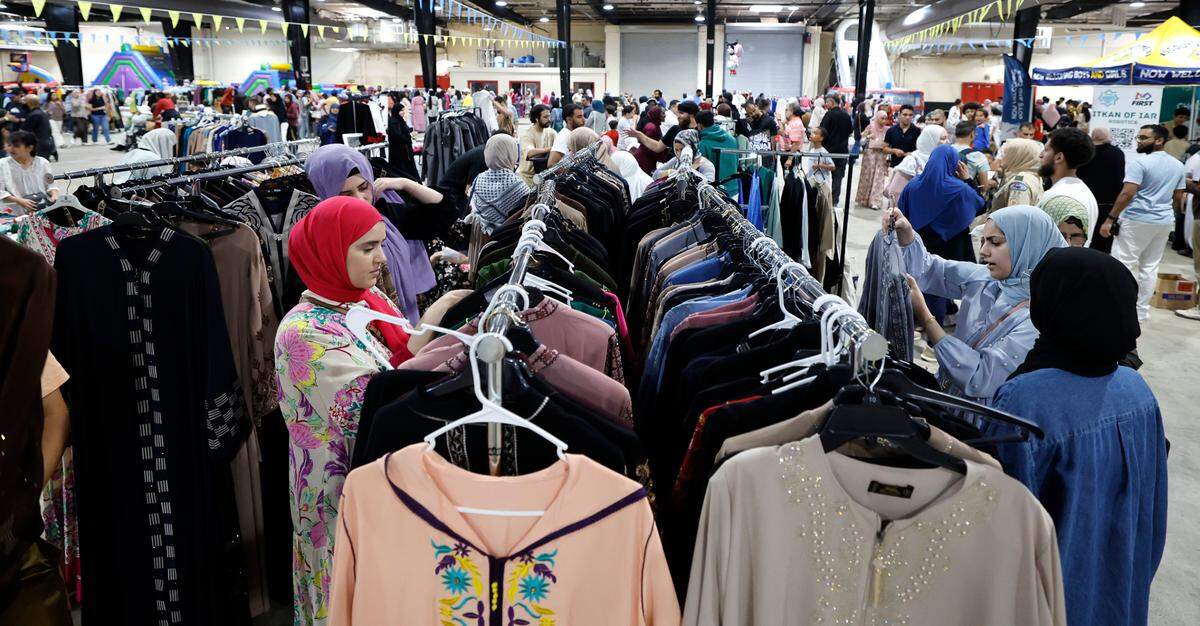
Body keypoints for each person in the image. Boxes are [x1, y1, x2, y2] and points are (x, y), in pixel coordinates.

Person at [985, 247, 1166, 626]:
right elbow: (1152, 510)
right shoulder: (1138, 392)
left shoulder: (1026, 399)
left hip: (1052, 598)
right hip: (1119, 585)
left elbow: (1000, 521)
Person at [275, 197, 411, 626]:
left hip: (363, 483)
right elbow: (364, 407)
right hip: (333, 497)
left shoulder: (358, 306)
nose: (381, 258)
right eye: (366, 248)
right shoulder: (304, 331)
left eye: (381, 245)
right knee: (341, 598)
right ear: (331, 252)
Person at [886, 203, 1065, 404]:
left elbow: (980, 378)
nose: (984, 252)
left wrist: (927, 319)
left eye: (995, 242)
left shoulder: (1037, 318)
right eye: (983, 241)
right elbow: (931, 270)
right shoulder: (987, 279)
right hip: (948, 397)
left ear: (1027, 245)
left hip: (980, 416)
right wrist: (907, 236)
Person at [305, 144, 447, 324]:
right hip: (361, 328)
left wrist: (404, 183)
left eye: (364, 187)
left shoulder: (384, 211)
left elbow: (444, 212)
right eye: (346, 194)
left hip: (407, 320)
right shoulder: (320, 236)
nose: (360, 199)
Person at [1102, 124, 1187, 322]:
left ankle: (1118, 308)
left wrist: (1110, 218)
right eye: (1138, 137)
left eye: (1143, 137)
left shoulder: (1140, 163)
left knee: (1123, 263)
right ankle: (1141, 312)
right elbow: (1178, 196)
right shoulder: (1178, 165)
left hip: (1136, 220)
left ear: (1159, 141)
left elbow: (1127, 193)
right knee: (1150, 267)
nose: (1138, 141)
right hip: (1163, 221)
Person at [1075, 127, 1125, 252]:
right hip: (1108, 205)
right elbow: (1119, 179)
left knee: (1082, 238)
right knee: (1103, 243)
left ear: (1093, 137)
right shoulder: (1117, 153)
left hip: (1084, 202)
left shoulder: (1084, 153)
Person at [469, 133, 531, 234]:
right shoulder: (515, 184)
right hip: (503, 239)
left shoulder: (479, 178)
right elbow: (527, 209)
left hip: (479, 234)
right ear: (511, 153)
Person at [0, 130, 58, 221]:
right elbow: (1, 191)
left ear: (30, 148)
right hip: (12, 214)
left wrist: (54, 196)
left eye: (16, 146)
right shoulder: (2, 164)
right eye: (9, 145)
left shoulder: (43, 162)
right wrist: (19, 201)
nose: (11, 149)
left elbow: (51, 185)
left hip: (41, 210)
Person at [884, 124, 945, 202]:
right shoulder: (912, 161)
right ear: (930, 140)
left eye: (947, 138)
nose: (947, 142)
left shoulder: (943, 159)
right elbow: (895, 193)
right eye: (943, 139)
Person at [990, 138, 1044, 210]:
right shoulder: (1031, 176)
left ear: (1016, 156)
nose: (1002, 158)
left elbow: (1016, 217)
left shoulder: (1019, 183)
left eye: (1006, 154)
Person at [696, 110, 739, 195]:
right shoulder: (732, 140)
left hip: (714, 193)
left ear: (699, 125)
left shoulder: (703, 144)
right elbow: (737, 163)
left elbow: (701, 172)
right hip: (733, 188)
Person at [819, 94, 852, 203]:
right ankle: (834, 200)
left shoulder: (829, 115)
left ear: (832, 102)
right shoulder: (846, 115)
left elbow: (822, 132)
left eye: (827, 102)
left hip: (828, 151)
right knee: (838, 177)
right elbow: (850, 131)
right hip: (842, 152)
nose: (825, 104)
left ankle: (824, 200)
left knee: (824, 176)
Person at [855, 109, 891, 209]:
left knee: (878, 178)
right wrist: (868, 137)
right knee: (867, 176)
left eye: (885, 118)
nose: (884, 120)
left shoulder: (887, 130)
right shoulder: (870, 126)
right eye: (882, 118)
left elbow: (889, 142)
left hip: (881, 155)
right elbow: (861, 140)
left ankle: (875, 201)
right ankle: (863, 198)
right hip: (869, 155)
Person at [517, 104, 556, 186]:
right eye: (545, 117)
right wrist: (551, 149)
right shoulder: (527, 134)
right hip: (527, 179)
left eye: (549, 116)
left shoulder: (551, 132)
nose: (549, 119)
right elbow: (530, 152)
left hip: (544, 177)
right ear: (536, 119)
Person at [952, 121, 992, 194]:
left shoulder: (944, 150)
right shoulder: (978, 156)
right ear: (972, 134)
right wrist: (993, 183)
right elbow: (984, 187)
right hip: (964, 195)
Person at [548, 102, 586, 167]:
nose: (584, 120)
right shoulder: (564, 136)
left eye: (583, 116)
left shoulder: (574, 134)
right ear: (569, 119)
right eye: (579, 117)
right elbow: (551, 164)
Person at [631, 105, 666, 174]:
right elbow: (647, 145)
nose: (665, 115)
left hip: (647, 159)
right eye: (663, 113)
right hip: (644, 160)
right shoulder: (652, 128)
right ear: (657, 114)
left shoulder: (655, 126)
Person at [883, 104, 920, 169]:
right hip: (895, 165)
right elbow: (884, 148)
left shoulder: (917, 131)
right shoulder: (891, 130)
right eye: (905, 114)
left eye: (910, 115)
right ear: (899, 115)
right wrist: (894, 150)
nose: (908, 117)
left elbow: (921, 150)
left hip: (911, 167)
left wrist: (912, 154)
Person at [19, 95, 55, 161]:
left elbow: (24, 132)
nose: (23, 104)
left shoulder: (34, 115)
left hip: (38, 145)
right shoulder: (41, 113)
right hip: (45, 143)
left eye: (25, 102)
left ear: (29, 103)